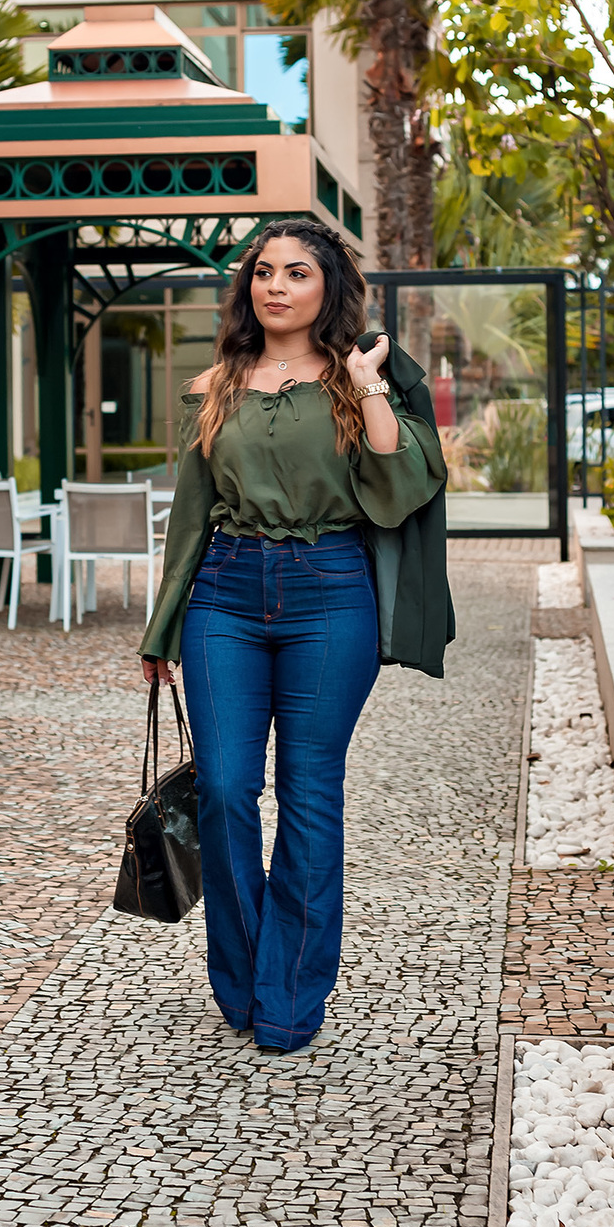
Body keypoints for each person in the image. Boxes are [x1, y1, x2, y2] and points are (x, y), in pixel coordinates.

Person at [139, 217, 448, 1053]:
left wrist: (369, 383)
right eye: (264, 271)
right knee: (229, 790)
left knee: (309, 794)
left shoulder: (360, 376)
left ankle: (289, 995)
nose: (276, 285)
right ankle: (240, 979)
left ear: (327, 288)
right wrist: (161, 627)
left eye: (297, 272)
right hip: (225, 599)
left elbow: (403, 477)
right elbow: (191, 516)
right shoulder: (220, 385)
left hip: (329, 594)